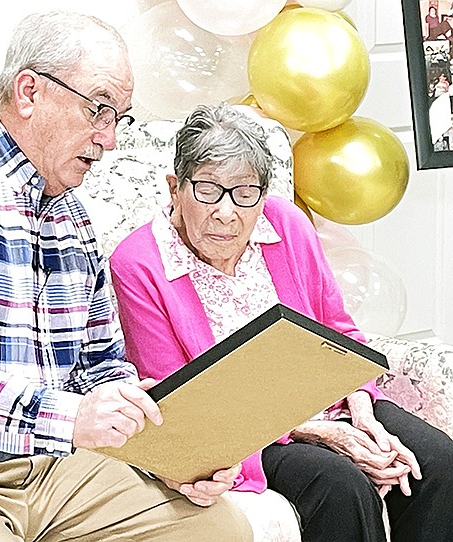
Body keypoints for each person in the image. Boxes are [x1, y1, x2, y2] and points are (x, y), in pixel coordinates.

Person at [0, 13, 253, 542]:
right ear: (29, 92)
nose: (109, 139)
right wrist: (71, 419)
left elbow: (101, 366)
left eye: (120, 119)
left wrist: (168, 447)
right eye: (100, 109)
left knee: (217, 528)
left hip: (45, 465)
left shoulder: (72, 218)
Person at [110, 103, 453, 542]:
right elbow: (179, 403)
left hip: (331, 404)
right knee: (340, 485)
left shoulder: (285, 224)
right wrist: (320, 433)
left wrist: (364, 415)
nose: (226, 212)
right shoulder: (138, 264)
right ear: (175, 188)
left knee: (437, 462)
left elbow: (339, 331)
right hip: (243, 434)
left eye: (245, 193)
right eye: (208, 190)